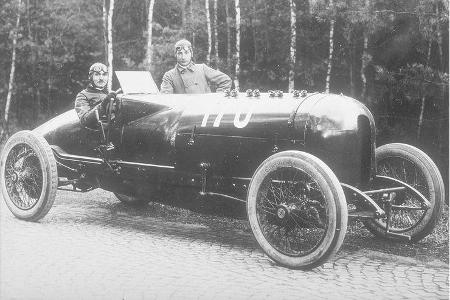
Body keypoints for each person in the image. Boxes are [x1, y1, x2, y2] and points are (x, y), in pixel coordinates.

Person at [160, 39, 232, 94]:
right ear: (175, 55)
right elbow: (166, 97)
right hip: (184, 112)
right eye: (179, 53)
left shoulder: (202, 68)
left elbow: (225, 80)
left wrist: (215, 99)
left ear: (191, 54)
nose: (183, 57)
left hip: (203, 111)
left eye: (186, 52)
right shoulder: (169, 76)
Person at [74, 62, 115, 129]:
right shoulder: (82, 96)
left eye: (104, 75)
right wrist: (104, 105)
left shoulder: (110, 94)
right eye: (97, 74)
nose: (101, 78)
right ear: (90, 77)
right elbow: (84, 120)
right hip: (96, 134)